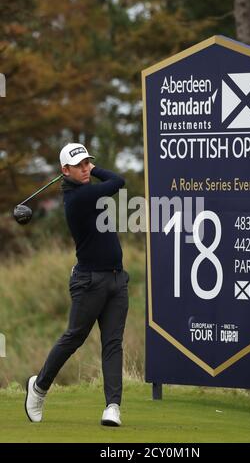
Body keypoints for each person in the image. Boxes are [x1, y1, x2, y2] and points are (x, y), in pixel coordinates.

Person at [25, 143, 129, 427]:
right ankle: (39, 387)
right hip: (89, 282)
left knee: (112, 344)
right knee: (74, 337)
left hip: (117, 279)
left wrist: (87, 169)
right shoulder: (78, 197)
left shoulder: (84, 190)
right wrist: (96, 171)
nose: (86, 168)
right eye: (80, 164)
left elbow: (115, 184)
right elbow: (118, 181)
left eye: (88, 163)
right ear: (65, 171)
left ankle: (112, 407)